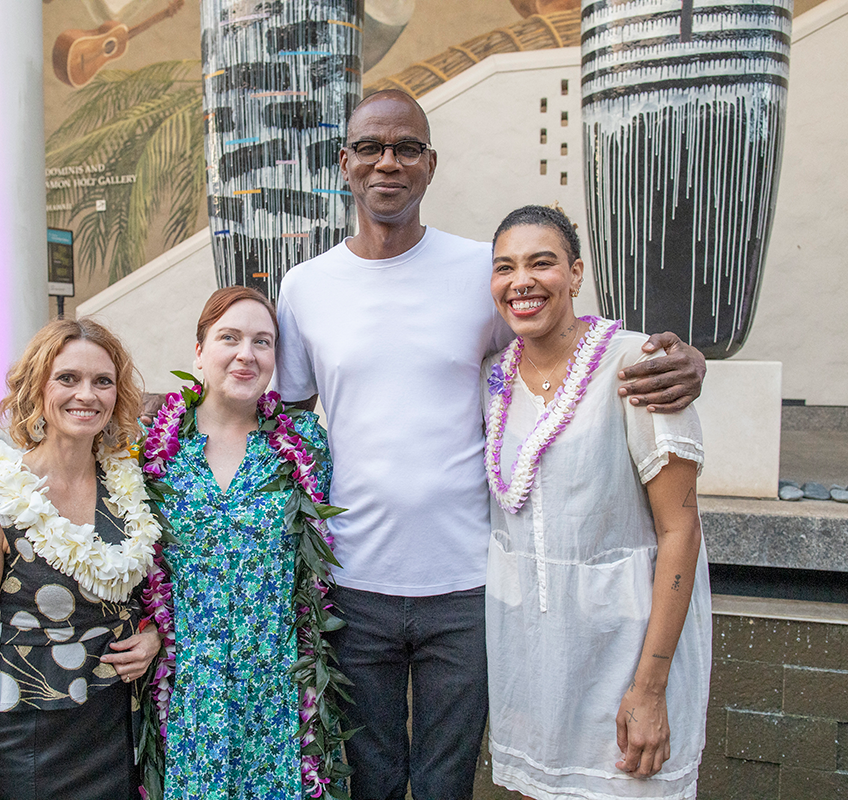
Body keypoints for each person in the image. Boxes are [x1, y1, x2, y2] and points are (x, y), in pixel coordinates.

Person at [273, 90, 707, 799]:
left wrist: (684, 360)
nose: (390, 163)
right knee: (370, 781)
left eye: (407, 148)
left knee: (448, 784)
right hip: (353, 586)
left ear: (430, 164)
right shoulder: (306, 288)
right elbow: (282, 425)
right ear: (343, 161)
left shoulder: (486, 272)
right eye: (372, 148)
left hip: (470, 585)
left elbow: (568, 347)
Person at [483, 205, 710, 799]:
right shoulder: (493, 378)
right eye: (505, 267)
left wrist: (650, 689)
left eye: (542, 263)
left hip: (624, 654)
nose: (521, 281)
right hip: (530, 654)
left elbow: (681, 534)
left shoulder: (639, 368)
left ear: (577, 273)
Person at [0, 318, 162, 800]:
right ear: (38, 387)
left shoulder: (130, 493)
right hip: (30, 739)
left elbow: (159, 596)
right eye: (68, 378)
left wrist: (151, 637)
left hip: (117, 727)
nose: (86, 394)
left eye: (102, 381)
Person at [142, 286, 340, 799]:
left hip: (276, 687)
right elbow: (126, 557)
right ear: (199, 351)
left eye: (262, 342)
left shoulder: (303, 446)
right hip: (189, 687)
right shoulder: (154, 450)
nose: (245, 354)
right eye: (229, 337)